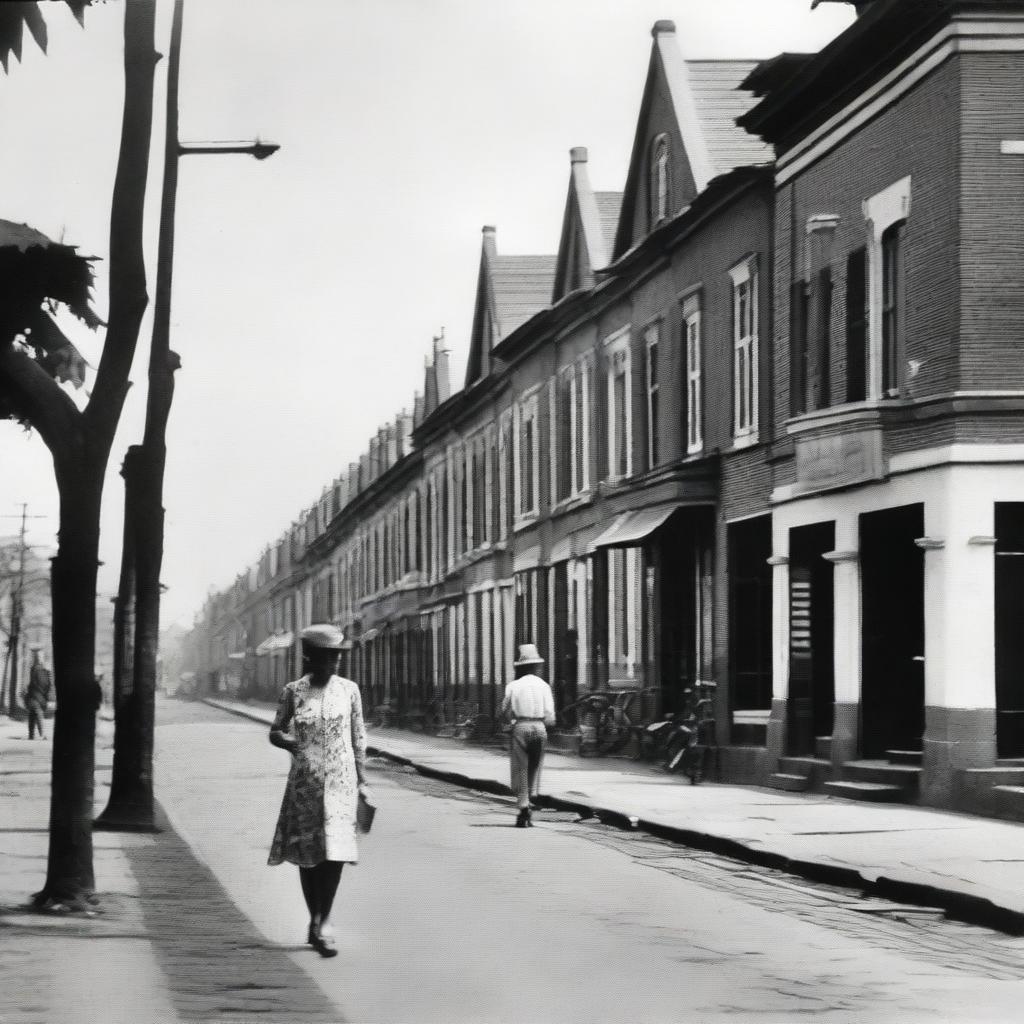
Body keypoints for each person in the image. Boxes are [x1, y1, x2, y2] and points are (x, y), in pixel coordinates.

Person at [268, 623, 369, 958]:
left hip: (342, 782)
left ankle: (323, 921)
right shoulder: (293, 692)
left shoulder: (349, 691)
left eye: (337, 657)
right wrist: (290, 743)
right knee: (308, 857)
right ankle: (315, 920)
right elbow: (275, 731)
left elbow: (358, 738)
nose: (334, 663)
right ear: (310, 657)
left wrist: (363, 781)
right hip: (305, 784)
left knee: (335, 854)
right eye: (327, 656)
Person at [501, 643, 555, 828]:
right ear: (536, 666)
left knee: (520, 767)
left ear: (521, 667)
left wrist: (509, 724)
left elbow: (505, 711)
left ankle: (523, 807)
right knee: (534, 767)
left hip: (521, 726)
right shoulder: (544, 686)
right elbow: (550, 717)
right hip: (539, 727)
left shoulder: (513, 686)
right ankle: (529, 800)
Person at [24, 647, 52, 741]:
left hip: (33, 695)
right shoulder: (39, 669)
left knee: (32, 714)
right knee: (38, 713)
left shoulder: (34, 669)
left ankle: (31, 735)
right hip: (37, 696)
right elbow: (44, 683)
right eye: (38, 656)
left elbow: (32, 683)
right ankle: (41, 734)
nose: (39, 658)